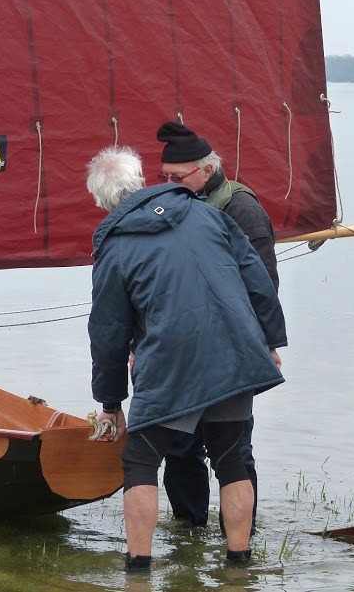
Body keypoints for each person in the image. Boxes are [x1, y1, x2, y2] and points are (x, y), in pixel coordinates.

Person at [85, 145, 287, 570]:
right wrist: (268, 343)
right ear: (142, 182)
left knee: (140, 460)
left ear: (102, 203)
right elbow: (257, 280)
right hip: (236, 353)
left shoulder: (115, 246)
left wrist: (110, 404)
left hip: (170, 362)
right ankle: (239, 563)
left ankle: (138, 568)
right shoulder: (207, 214)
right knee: (232, 458)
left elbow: (108, 333)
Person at [156, 120, 282, 532]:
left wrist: (267, 344)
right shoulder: (172, 207)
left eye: (177, 176)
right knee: (180, 448)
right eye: (164, 177)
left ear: (206, 171)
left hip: (230, 352)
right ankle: (188, 531)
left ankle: (239, 536)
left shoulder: (242, 209)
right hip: (182, 349)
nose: (169, 184)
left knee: (232, 452)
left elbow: (262, 285)